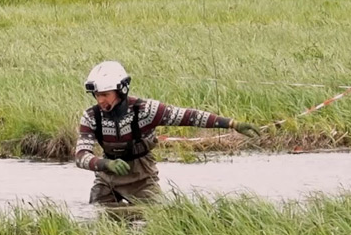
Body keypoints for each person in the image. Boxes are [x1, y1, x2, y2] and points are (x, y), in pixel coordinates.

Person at [75, 61, 260, 207]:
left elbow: (190, 116)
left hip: (143, 180)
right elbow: (81, 156)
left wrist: (232, 123)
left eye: (105, 94)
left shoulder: (146, 110)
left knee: (154, 218)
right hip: (106, 180)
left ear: (121, 90)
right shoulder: (91, 117)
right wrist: (105, 163)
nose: (100, 100)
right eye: (97, 95)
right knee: (98, 214)